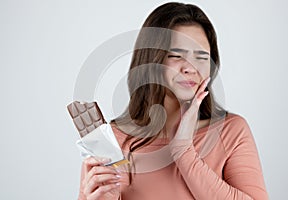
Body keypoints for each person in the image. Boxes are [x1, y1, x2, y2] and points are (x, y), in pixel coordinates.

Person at [78, 2, 268, 200]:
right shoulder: (110, 141)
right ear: (151, 60)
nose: (190, 67)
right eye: (176, 55)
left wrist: (184, 150)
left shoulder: (231, 131)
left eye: (202, 57)